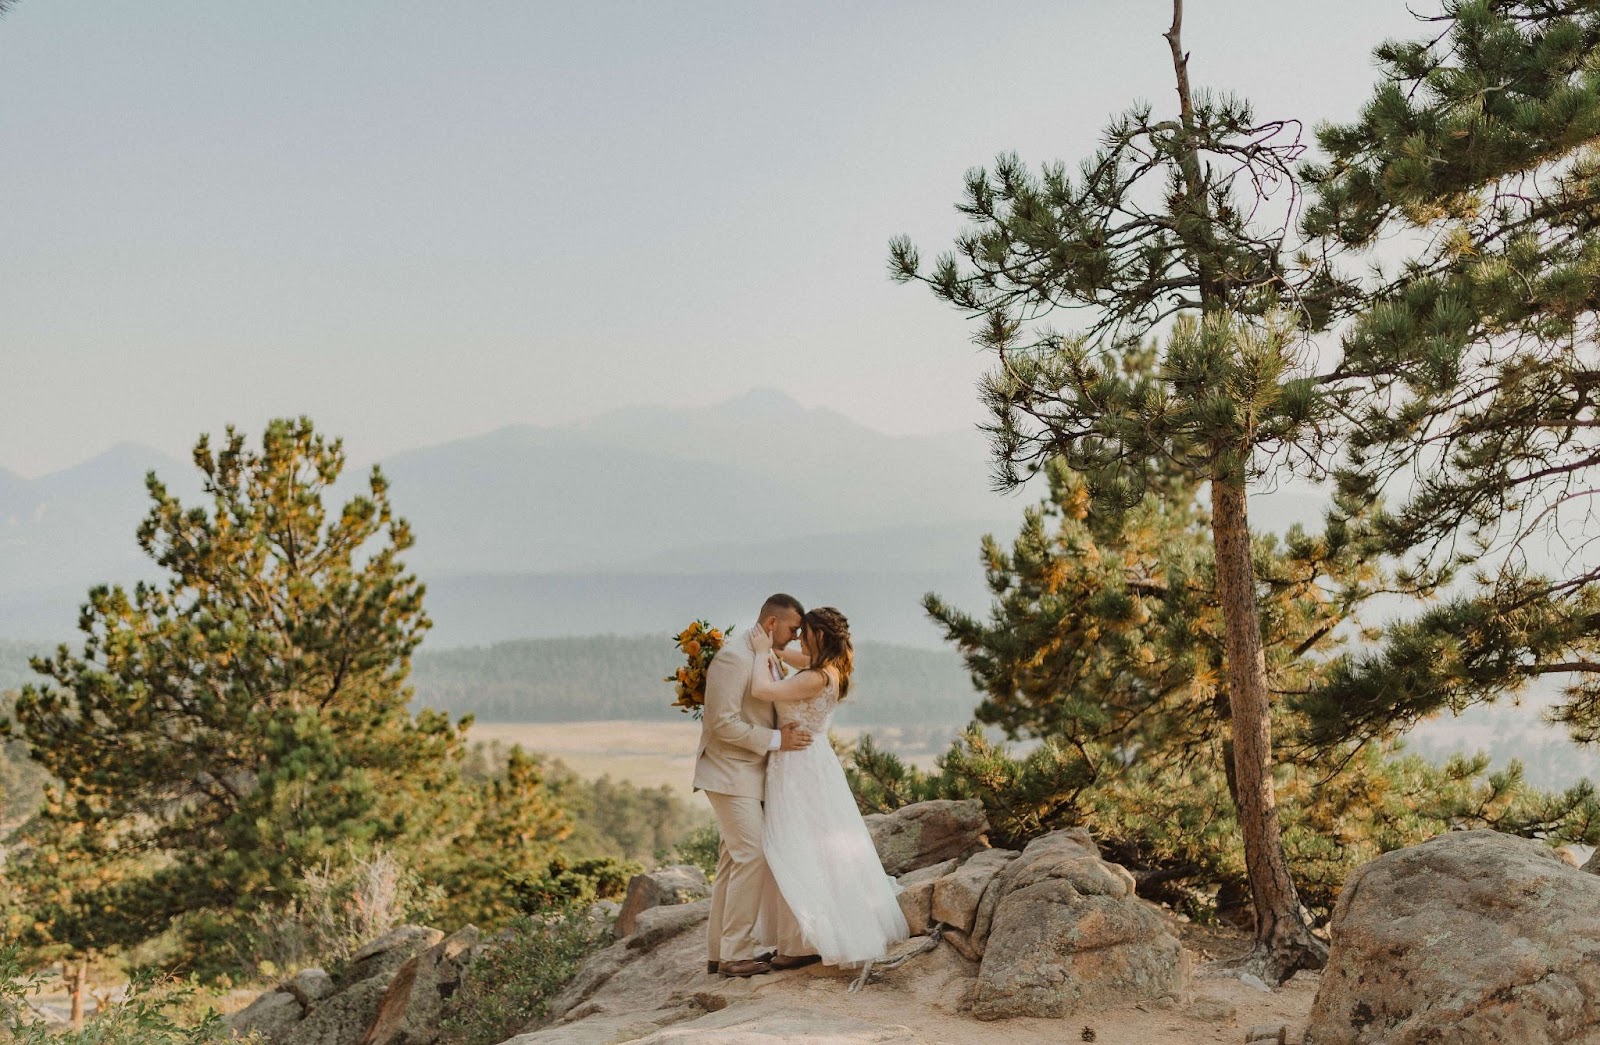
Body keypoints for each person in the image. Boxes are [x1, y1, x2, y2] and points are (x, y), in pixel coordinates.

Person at [747, 606, 911, 967]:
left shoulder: (816, 677)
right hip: (806, 761)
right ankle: (800, 936)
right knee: (805, 841)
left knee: (796, 843)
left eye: (803, 632)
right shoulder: (823, 667)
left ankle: (804, 942)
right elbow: (785, 654)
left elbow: (761, 690)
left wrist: (760, 653)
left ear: (818, 636)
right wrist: (767, 644)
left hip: (798, 765)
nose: (798, 638)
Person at [692, 593, 815, 978]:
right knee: (753, 855)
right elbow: (721, 723)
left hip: (752, 774)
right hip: (729, 773)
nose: (795, 638)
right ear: (771, 623)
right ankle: (736, 954)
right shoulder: (733, 658)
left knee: (732, 862)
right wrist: (778, 741)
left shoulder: (765, 655)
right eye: (793, 629)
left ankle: (719, 953)